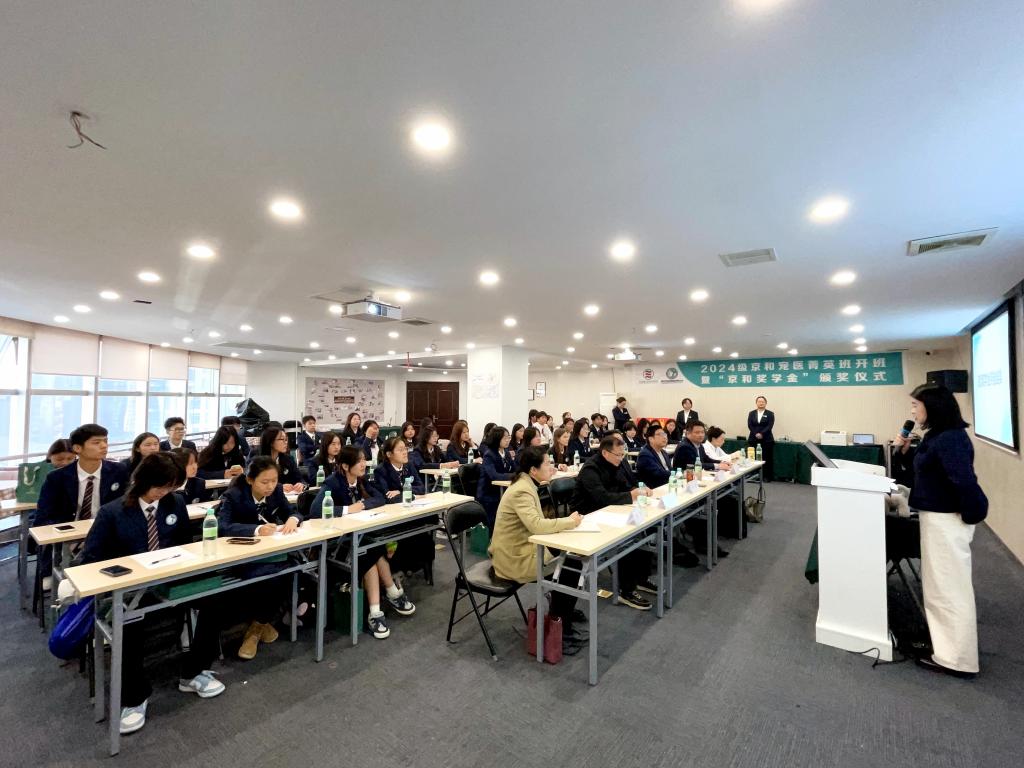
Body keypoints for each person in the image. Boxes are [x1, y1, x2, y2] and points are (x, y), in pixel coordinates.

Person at [81, 453, 225, 734]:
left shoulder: (175, 502)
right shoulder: (113, 512)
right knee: (130, 621)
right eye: (160, 487)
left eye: (171, 487)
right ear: (142, 481)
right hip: (130, 588)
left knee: (216, 598)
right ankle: (134, 697)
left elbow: (185, 543)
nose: (164, 493)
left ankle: (193, 671)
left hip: (169, 579)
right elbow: (91, 560)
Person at [893, 384, 988, 678]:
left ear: (932, 406)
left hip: (947, 522)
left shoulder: (950, 439)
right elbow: (927, 474)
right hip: (936, 518)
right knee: (938, 588)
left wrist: (972, 515)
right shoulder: (937, 435)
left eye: (915, 405)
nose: (912, 411)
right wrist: (904, 453)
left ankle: (957, 659)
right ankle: (946, 647)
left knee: (949, 590)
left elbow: (964, 481)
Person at [489, 447, 586, 655]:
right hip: (513, 557)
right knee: (570, 569)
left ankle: (562, 614)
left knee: (571, 560)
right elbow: (536, 525)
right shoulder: (522, 490)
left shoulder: (526, 484)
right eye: (547, 464)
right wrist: (569, 522)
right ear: (533, 470)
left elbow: (535, 525)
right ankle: (559, 627)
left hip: (524, 547)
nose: (551, 467)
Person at [310, 445, 415, 639]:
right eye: (358, 461)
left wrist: (363, 505)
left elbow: (380, 498)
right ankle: (389, 596)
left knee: (370, 549)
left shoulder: (361, 480)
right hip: (337, 544)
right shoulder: (333, 482)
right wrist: (347, 510)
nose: (363, 464)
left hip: (357, 538)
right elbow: (315, 511)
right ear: (345, 466)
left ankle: (377, 609)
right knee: (370, 552)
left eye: (363, 460)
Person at [216, 457, 301, 659]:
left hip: (271, 553)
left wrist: (293, 519)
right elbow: (223, 527)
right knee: (276, 577)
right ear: (250, 480)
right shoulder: (234, 495)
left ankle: (258, 626)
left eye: (274, 480)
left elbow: (294, 512)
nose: (270, 486)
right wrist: (256, 530)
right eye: (264, 482)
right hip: (242, 556)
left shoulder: (276, 491)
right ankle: (257, 629)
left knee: (292, 570)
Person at [571, 434, 655, 609]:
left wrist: (638, 489)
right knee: (626, 539)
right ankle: (626, 590)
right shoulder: (590, 469)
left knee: (643, 530)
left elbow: (624, 486)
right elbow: (601, 497)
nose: (621, 458)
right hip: (588, 516)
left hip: (609, 511)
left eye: (623, 454)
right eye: (618, 455)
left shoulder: (615, 463)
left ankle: (640, 578)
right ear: (605, 453)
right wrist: (630, 495)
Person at [36, 423, 130, 576]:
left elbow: (126, 505)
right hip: (68, 537)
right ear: (77, 448)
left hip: (107, 534)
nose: (104, 446)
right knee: (64, 573)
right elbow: (43, 516)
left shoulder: (119, 471)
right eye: (96, 442)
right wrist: (60, 533)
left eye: (105, 441)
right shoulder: (57, 478)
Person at [372, 437, 433, 575]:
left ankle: (414, 565)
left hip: (411, 511)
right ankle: (400, 568)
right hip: (392, 516)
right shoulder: (381, 471)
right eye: (400, 450)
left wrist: (401, 491)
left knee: (427, 526)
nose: (405, 452)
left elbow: (421, 488)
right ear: (389, 454)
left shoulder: (408, 466)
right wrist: (412, 495)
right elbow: (389, 498)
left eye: (405, 448)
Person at [477, 427, 514, 530]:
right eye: (505, 438)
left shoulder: (506, 452)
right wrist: (513, 476)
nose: (508, 440)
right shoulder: (489, 455)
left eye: (509, 437)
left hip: (502, 490)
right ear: (497, 439)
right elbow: (494, 476)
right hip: (488, 493)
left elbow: (514, 468)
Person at [258, 426, 305, 492]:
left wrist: (301, 484)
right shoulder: (257, 460)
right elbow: (255, 483)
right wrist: (278, 487)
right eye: (282, 439)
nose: (286, 442)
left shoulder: (288, 459)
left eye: (286, 439)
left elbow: (299, 478)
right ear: (271, 442)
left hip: (289, 496)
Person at [747, 395, 775, 481]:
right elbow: (750, 425)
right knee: (753, 458)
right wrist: (756, 433)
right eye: (759, 401)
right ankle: (754, 476)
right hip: (753, 438)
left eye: (763, 402)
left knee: (766, 458)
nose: (761, 403)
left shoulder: (770, 414)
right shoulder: (751, 413)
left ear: (766, 403)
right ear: (756, 403)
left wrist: (762, 433)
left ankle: (766, 476)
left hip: (766, 439)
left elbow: (770, 426)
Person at [635, 424, 673, 488]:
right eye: (659, 434)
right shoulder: (645, 455)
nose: (664, 437)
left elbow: (669, 469)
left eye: (664, 434)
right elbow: (658, 473)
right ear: (651, 439)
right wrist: (676, 474)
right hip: (655, 488)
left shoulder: (664, 452)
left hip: (668, 484)